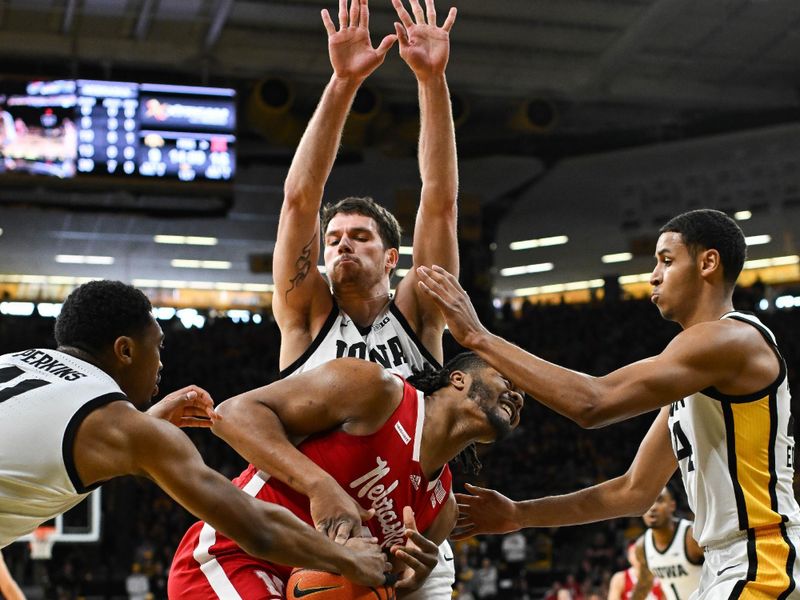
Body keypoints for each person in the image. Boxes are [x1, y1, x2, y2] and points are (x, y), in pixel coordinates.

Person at [416, 209, 800, 598]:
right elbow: (632, 492)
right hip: (729, 565)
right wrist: (518, 514)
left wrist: (479, 338)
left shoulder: (730, 338)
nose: (653, 275)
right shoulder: (694, 379)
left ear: (708, 263)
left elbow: (594, 403)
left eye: (667, 261)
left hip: (762, 559)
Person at [0, 280, 387, 588]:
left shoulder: (17, 361)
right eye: (158, 347)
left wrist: (147, 422)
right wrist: (349, 560)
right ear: (125, 351)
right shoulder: (119, 426)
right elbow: (255, 528)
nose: (162, 362)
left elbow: (43, 445)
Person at [273, 0, 459, 596]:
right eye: (333, 239)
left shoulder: (421, 311)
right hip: (317, 532)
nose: (341, 245)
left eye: (359, 237)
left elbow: (439, 199)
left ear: (391, 258)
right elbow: (301, 198)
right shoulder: (305, 316)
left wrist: (431, 80)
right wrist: (342, 82)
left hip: (417, 537)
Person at [167, 353, 524, 598]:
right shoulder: (377, 390)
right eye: (507, 380)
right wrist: (320, 485)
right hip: (231, 555)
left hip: (299, 584)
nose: (518, 396)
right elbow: (231, 414)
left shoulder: (443, 508)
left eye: (522, 397)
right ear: (458, 379)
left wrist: (411, 579)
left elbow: (379, 582)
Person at [631, 486, 702, 600]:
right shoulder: (642, 546)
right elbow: (644, 586)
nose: (652, 507)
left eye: (659, 500)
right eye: (647, 502)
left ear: (672, 506)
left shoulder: (692, 536)